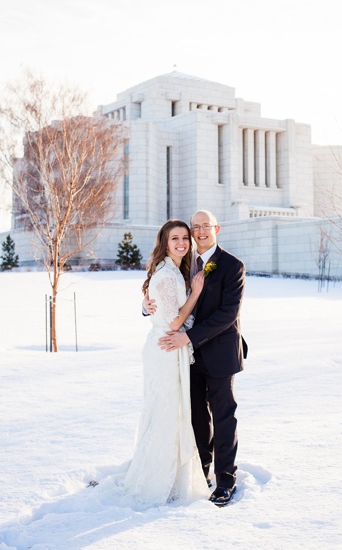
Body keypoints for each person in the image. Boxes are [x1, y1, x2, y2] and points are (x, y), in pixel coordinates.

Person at [152, 210, 248, 507]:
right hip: (188, 357)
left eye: (206, 226)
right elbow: (166, 295)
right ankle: (201, 471)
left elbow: (227, 314)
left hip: (219, 354)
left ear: (216, 228)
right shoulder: (185, 262)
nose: (200, 232)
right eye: (196, 227)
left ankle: (225, 481)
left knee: (222, 417)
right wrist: (147, 305)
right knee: (196, 417)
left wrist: (188, 337)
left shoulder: (233, 266)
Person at [123, 220, 210, 505]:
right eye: (175, 239)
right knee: (167, 413)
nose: (182, 243)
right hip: (166, 348)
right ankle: (157, 479)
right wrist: (195, 293)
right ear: (165, 242)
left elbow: (160, 306)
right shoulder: (166, 274)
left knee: (168, 412)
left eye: (185, 238)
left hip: (166, 345)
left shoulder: (174, 270)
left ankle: (171, 475)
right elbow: (173, 320)